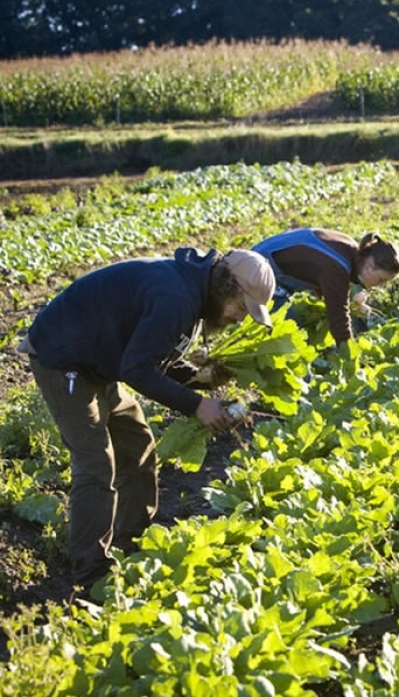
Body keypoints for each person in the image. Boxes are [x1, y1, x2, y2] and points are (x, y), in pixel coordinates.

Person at [17, 247, 275, 592]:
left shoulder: (193, 294)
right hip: (64, 359)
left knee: (138, 444)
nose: (240, 318)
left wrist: (198, 377)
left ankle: (132, 543)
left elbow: (152, 354)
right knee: (96, 463)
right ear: (227, 287)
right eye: (242, 308)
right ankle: (92, 575)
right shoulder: (176, 297)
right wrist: (197, 404)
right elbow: (136, 370)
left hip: (99, 361)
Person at [252, 228, 399, 346]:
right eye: (381, 279)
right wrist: (348, 355)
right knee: (291, 334)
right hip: (258, 271)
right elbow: (339, 317)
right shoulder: (338, 268)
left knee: (284, 326)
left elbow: (313, 265)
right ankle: (307, 382)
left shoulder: (351, 249)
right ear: (370, 265)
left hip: (262, 260)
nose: (381, 285)